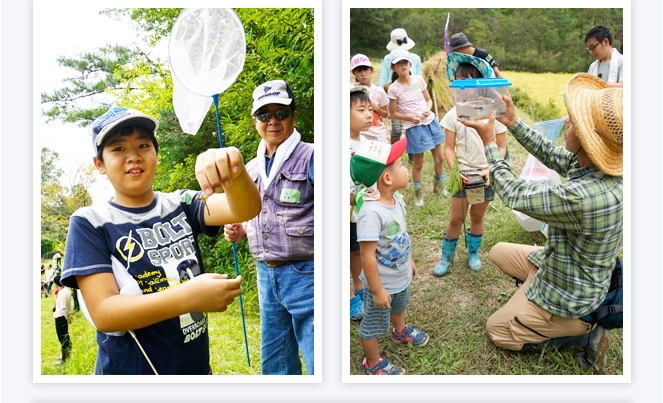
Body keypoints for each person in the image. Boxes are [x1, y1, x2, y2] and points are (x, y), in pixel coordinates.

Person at [60, 106, 261, 375]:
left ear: (156, 155)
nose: (133, 156)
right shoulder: (90, 222)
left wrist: (234, 171)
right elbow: (104, 313)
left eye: (143, 145)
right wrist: (190, 297)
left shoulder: (182, 203)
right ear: (100, 165)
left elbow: (245, 209)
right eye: (118, 149)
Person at [460, 73, 623, 372]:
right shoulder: (594, 166)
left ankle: (578, 332)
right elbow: (552, 153)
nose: (567, 123)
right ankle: (533, 301)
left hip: (572, 293)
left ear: (589, 139)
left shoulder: (584, 197)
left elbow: (513, 193)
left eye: (574, 121)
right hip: (560, 266)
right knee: (497, 252)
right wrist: (512, 122)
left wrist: (489, 143)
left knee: (496, 330)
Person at [223, 79, 315, 375]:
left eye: (281, 113)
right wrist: (240, 230)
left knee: (318, 359)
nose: (272, 121)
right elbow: (250, 216)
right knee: (275, 362)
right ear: (255, 120)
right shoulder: (249, 169)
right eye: (264, 115)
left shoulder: (313, 156)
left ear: (293, 115)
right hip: (266, 274)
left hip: (307, 273)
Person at [351, 137, 427, 375]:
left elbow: (402, 233)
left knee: (400, 305)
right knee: (373, 325)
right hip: (382, 284)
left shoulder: (396, 200)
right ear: (387, 178)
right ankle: (372, 363)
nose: (406, 168)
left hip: (400, 275)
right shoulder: (371, 214)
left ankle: (399, 330)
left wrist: (410, 259)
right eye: (402, 165)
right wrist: (376, 290)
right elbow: (367, 257)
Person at [435, 54, 507, 276]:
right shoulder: (452, 115)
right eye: (458, 80)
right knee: (457, 217)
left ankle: (473, 254)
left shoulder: (493, 114)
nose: (463, 86)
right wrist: (454, 169)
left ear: (481, 84)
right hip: (462, 175)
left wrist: (489, 169)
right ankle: (446, 257)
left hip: (485, 176)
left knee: (477, 216)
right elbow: (448, 148)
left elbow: (502, 148)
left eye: (468, 80)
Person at [387, 49, 448, 207]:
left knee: (439, 158)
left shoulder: (418, 80)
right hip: (414, 128)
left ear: (410, 64)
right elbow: (393, 113)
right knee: (418, 164)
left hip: (430, 122)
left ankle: (439, 187)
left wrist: (428, 108)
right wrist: (410, 118)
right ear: (393, 68)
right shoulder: (393, 89)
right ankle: (418, 194)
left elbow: (428, 100)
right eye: (398, 64)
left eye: (405, 62)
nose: (403, 66)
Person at [379, 28, 422, 162]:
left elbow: (418, 79)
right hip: (395, 97)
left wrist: (413, 92)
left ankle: (412, 156)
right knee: (397, 129)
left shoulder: (415, 58)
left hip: (412, 99)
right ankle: (395, 158)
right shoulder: (388, 59)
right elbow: (383, 80)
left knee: (412, 128)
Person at [348, 86, 373, 321]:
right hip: (343, 211)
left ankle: (358, 285)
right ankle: (347, 298)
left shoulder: (365, 142)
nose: (369, 115)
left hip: (358, 212)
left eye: (370, 109)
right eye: (362, 110)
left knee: (355, 251)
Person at [351, 54, 390, 144]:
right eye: (359, 71)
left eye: (365, 70)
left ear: (371, 70)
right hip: (358, 135)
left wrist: (376, 108)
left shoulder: (379, 91)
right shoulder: (350, 89)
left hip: (377, 135)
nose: (363, 74)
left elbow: (385, 114)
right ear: (354, 73)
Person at [52, 275, 72, 366]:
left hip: (60, 318)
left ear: (56, 284)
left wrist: (68, 317)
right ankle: (66, 355)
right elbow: (68, 305)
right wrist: (69, 315)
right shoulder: (66, 290)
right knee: (65, 336)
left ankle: (64, 359)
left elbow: (64, 308)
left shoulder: (61, 294)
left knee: (62, 339)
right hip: (63, 317)